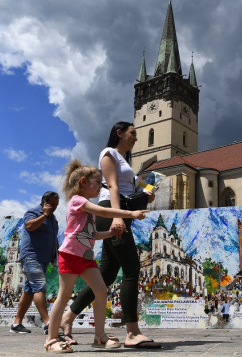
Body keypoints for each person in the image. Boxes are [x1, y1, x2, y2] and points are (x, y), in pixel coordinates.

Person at [59, 121, 162, 349]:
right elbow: (113, 187)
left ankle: (68, 317)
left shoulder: (126, 162)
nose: (136, 138)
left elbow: (129, 190)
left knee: (105, 274)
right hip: (112, 211)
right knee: (132, 269)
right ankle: (132, 333)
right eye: (132, 133)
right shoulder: (109, 154)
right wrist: (118, 218)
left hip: (120, 211)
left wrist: (147, 194)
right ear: (119, 133)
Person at [44, 160, 147, 353]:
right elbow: (104, 210)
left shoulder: (86, 207)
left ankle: (99, 336)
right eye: (98, 182)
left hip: (86, 258)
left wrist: (110, 233)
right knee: (63, 296)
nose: (102, 186)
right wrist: (130, 214)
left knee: (101, 291)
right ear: (84, 182)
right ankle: (51, 340)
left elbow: (90, 235)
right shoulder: (78, 201)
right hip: (70, 255)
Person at [10, 191, 59, 334]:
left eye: (56, 205)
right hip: (31, 257)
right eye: (52, 204)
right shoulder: (33, 212)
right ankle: (47, 322)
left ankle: (16, 324)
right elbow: (29, 226)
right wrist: (44, 214)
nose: (54, 207)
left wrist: (58, 252)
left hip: (44, 259)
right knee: (39, 286)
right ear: (44, 202)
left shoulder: (54, 219)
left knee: (29, 291)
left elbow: (53, 237)